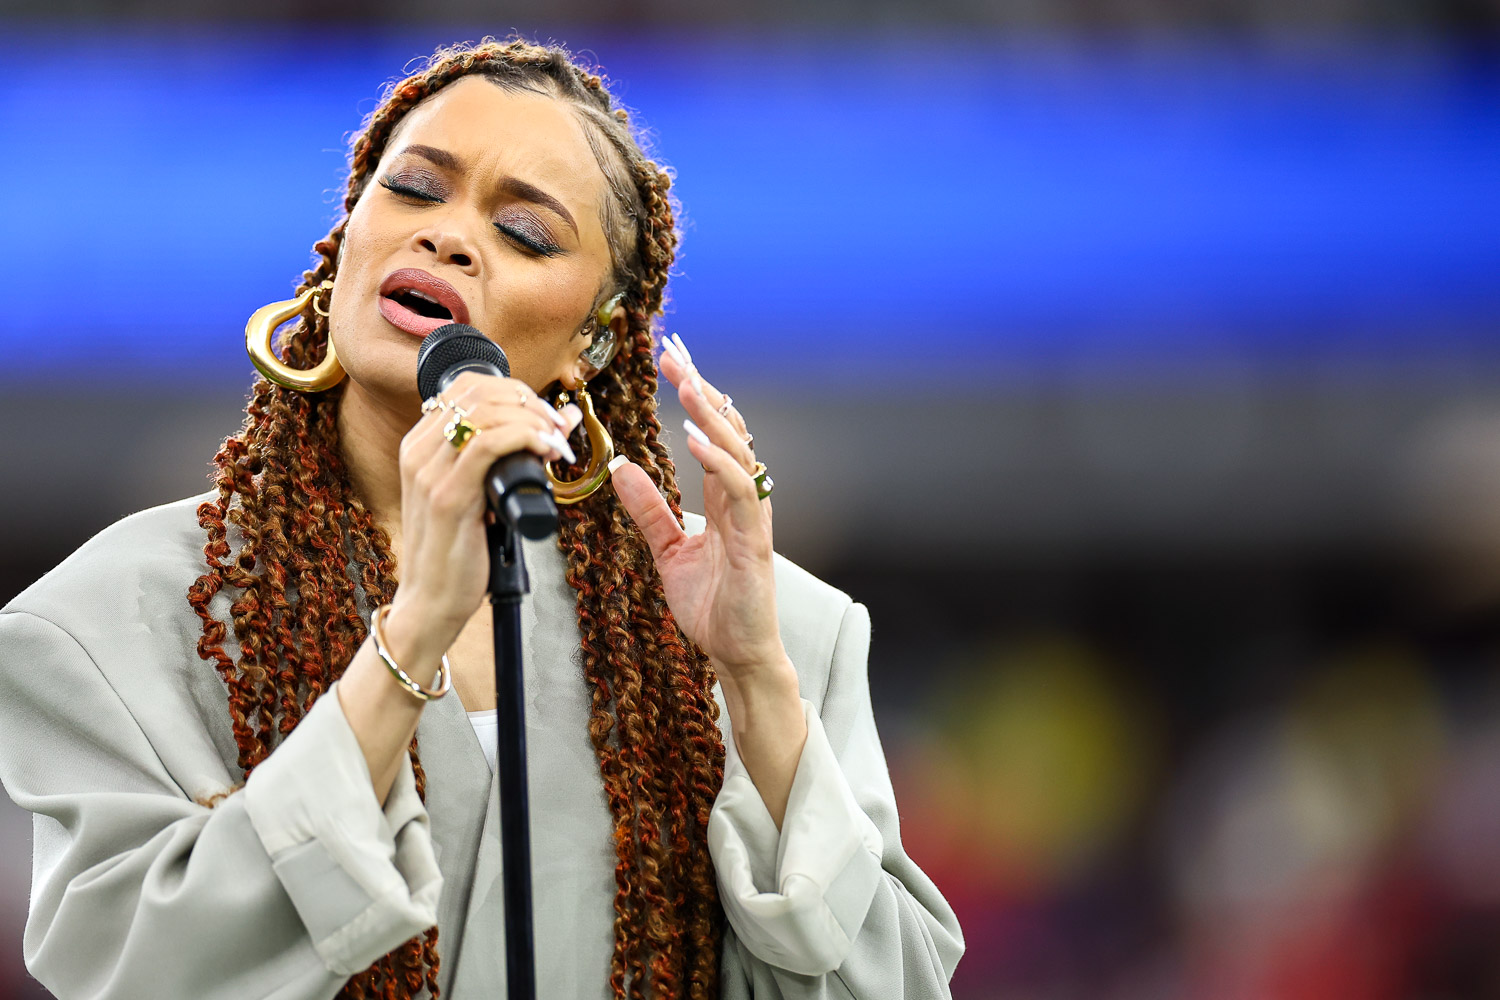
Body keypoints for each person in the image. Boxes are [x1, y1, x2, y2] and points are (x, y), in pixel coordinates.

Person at [0, 37, 963, 1000]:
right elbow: (142, 972)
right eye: (414, 188)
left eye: (528, 235)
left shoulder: (772, 632)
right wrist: (414, 628)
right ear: (347, 238)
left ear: (593, 338)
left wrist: (754, 684)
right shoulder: (113, 615)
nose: (450, 236)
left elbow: (896, 986)